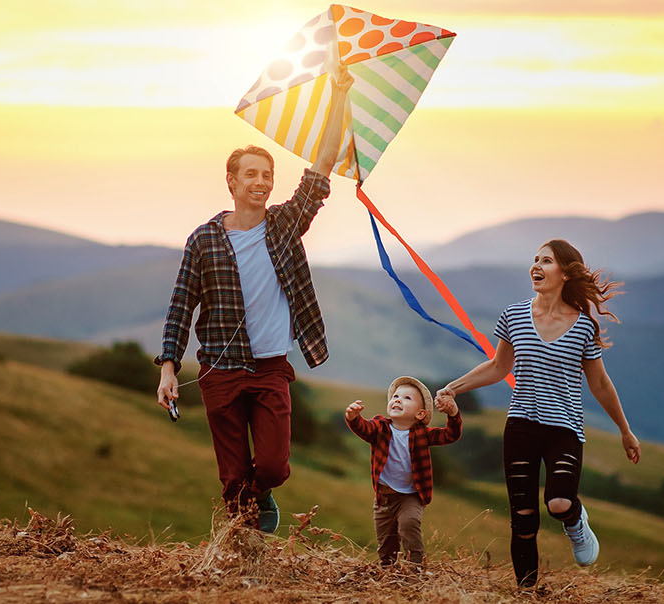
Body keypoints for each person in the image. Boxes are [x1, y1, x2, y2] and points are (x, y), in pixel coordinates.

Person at [152, 66, 353, 532]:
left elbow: (323, 163)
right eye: (252, 174)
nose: (262, 181)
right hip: (219, 373)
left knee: (274, 467)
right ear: (232, 181)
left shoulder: (285, 224)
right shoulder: (203, 240)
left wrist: (338, 96)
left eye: (268, 174)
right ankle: (240, 549)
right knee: (233, 476)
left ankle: (260, 500)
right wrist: (167, 367)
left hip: (269, 369)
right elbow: (181, 306)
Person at [435, 239, 641, 588]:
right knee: (524, 518)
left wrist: (624, 430)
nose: (536, 266)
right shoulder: (513, 316)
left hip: (564, 430)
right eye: (535, 259)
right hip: (520, 428)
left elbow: (601, 384)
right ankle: (526, 591)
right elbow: (499, 367)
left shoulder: (583, 327)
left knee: (559, 502)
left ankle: (576, 522)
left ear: (564, 273)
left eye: (546, 261)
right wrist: (453, 387)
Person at [344, 376, 462, 569]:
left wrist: (453, 414)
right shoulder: (380, 427)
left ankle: (414, 567)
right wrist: (353, 417)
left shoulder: (422, 434)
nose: (398, 399)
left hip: (410, 496)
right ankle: (388, 571)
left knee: (409, 523)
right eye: (395, 396)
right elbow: (363, 428)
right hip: (383, 498)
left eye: (407, 398)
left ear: (420, 414)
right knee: (386, 543)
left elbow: (451, 435)